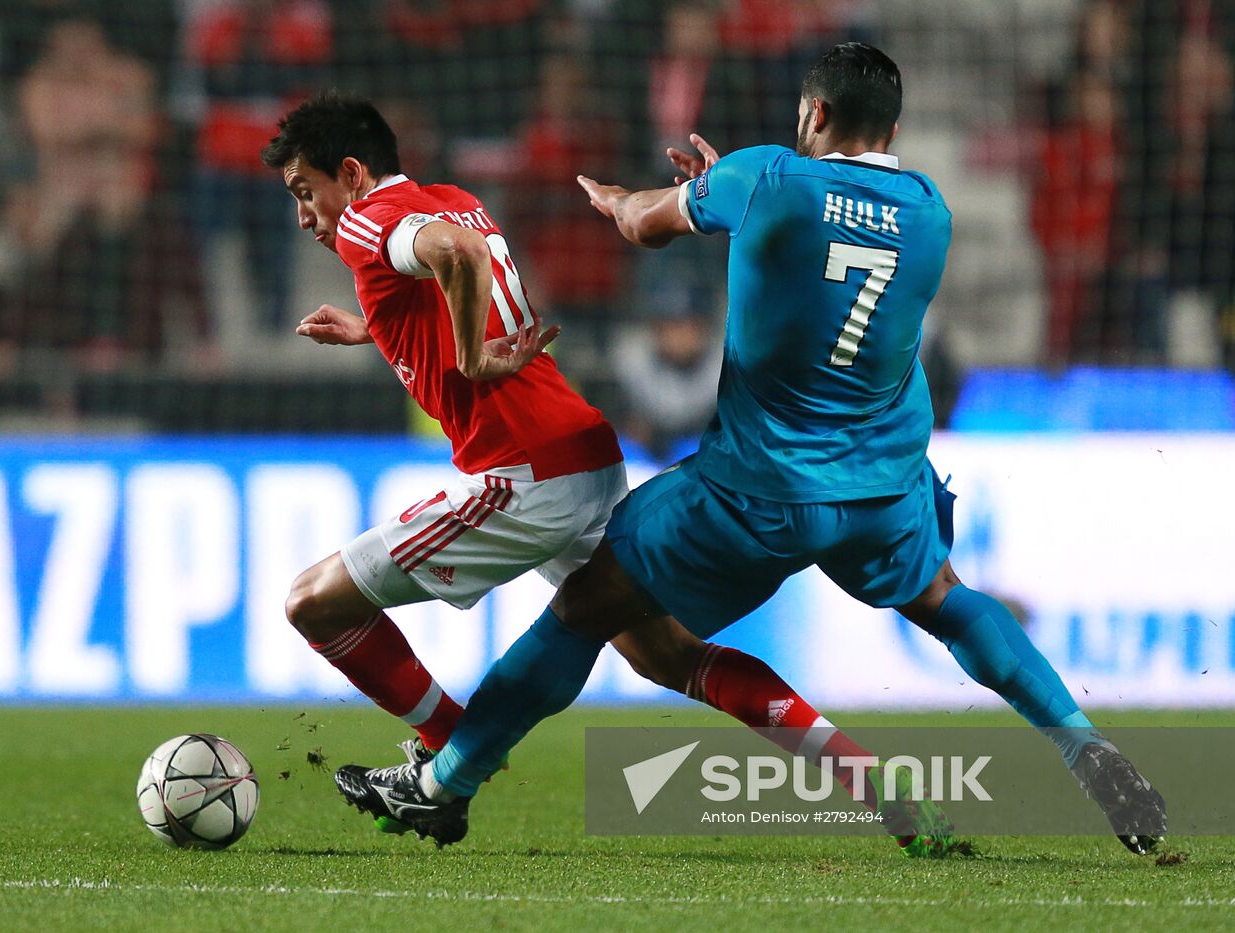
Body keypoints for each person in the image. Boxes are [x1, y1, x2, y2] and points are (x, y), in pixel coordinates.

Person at [333, 44, 1168, 856]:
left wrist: (653, 195)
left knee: (587, 607)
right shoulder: (929, 209)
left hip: (755, 491)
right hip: (882, 486)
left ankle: (443, 783)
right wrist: (731, 188)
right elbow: (828, 256)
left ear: (815, 112)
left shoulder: (764, 176)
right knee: (948, 599)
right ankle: (1083, 745)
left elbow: (644, 226)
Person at [264, 91, 953, 854]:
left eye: (305, 192)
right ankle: (872, 783)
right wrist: (381, 326)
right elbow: (459, 265)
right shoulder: (454, 201)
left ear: (353, 174)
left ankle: (450, 751)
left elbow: (453, 267)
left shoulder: (367, 220)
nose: (305, 217)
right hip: (585, 454)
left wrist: (465, 357)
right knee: (667, 654)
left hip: (521, 474)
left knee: (312, 604)